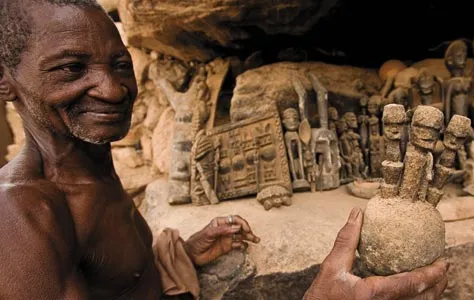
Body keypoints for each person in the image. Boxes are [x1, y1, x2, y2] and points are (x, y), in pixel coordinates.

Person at [0, 1, 449, 299]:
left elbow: (112, 279)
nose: (114, 89)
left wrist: (182, 256)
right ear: (6, 80)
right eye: (72, 69)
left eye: (120, 64)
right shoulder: (21, 221)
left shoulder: (87, 165)